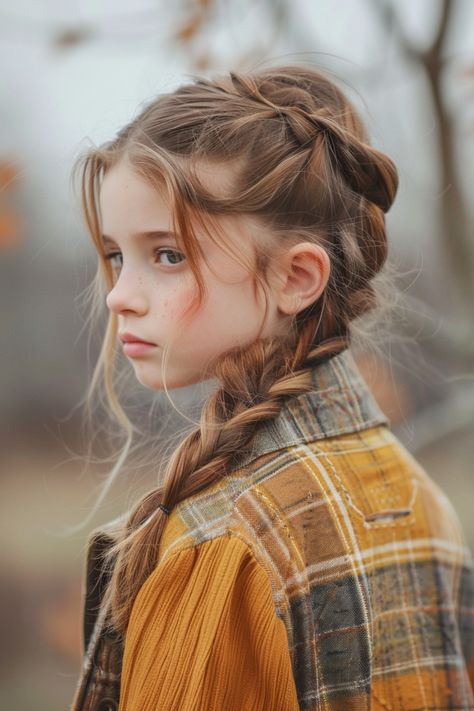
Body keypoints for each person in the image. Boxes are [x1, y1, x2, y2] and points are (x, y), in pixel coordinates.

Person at [69, 64, 474, 711]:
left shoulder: (221, 550)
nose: (120, 295)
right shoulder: (427, 504)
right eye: (117, 255)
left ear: (296, 278)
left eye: (167, 254)